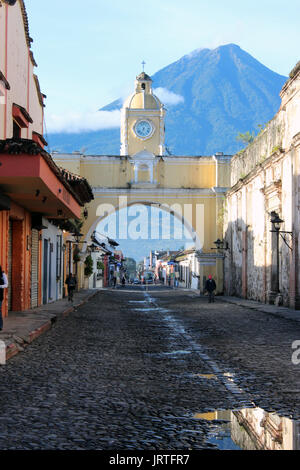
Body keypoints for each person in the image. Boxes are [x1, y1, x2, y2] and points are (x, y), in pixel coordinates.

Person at [0, 266, 8, 331]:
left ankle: (0, 326)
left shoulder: (3, 274)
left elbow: (6, 284)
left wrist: (0, 286)